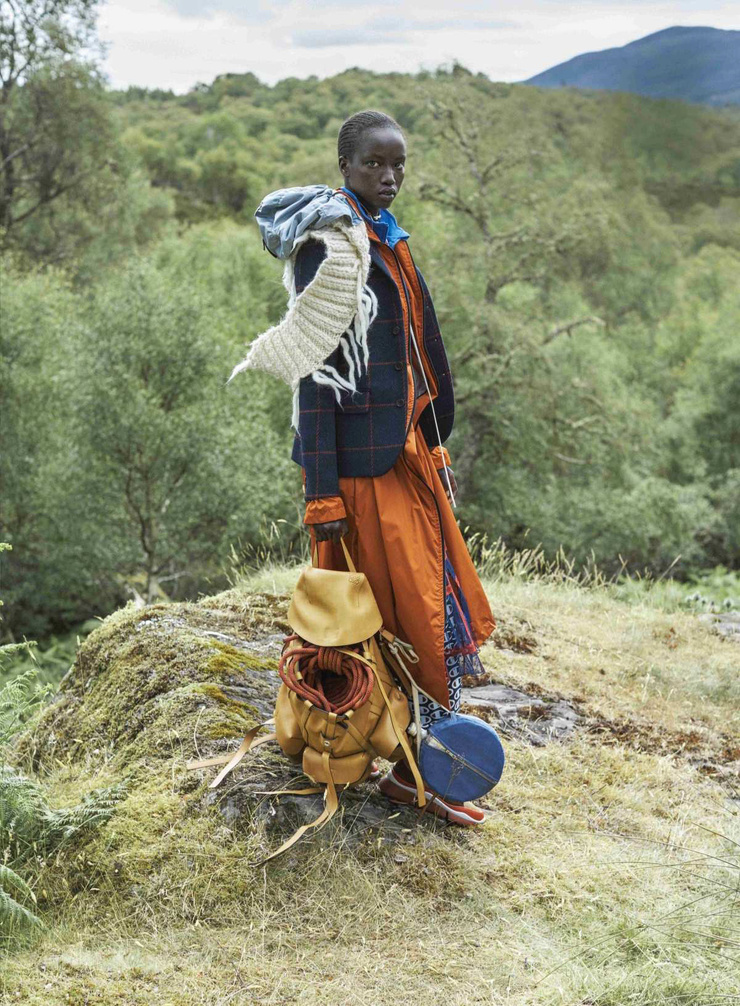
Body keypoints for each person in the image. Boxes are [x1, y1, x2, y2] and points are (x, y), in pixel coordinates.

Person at [237, 109, 497, 825]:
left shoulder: (385, 239)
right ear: (345, 167)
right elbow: (315, 379)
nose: (389, 176)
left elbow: (415, 351)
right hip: (356, 472)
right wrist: (322, 496)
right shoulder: (330, 247)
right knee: (376, 621)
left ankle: (416, 770)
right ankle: (388, 761)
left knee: (419, 610)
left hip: (404, 454)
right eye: (374, 164)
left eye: (398, 164)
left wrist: (433, 442)